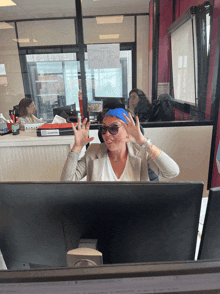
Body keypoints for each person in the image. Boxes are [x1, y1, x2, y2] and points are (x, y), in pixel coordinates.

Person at [60, 108, 179, 181]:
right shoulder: (93, 152)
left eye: (113, 128)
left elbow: (172, 172)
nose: (106, 134)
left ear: (128, 131)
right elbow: (66, 181)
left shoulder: (142, 153)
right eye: (104, 129)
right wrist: (77, 148)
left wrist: (144, 142)